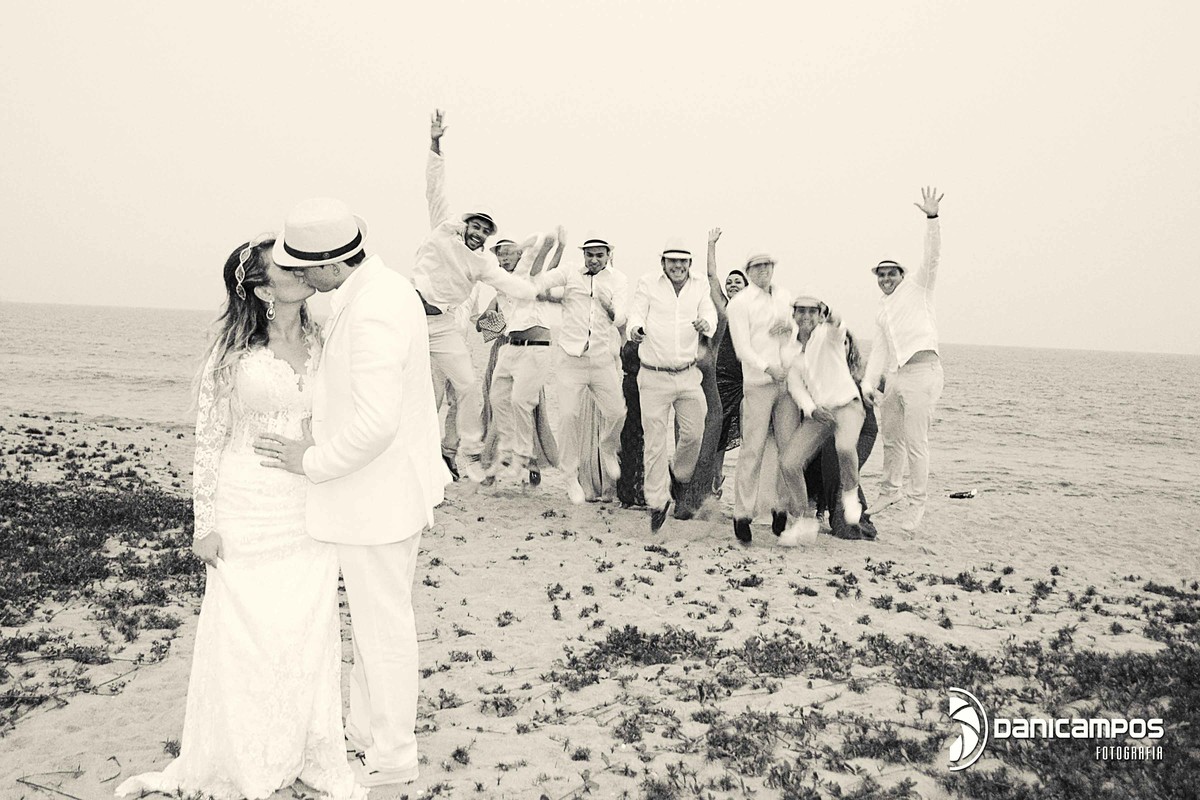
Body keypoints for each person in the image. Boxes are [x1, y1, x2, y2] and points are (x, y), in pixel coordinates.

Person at [116, 235, 366, 800]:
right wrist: (203, 523)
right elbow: (209, 439)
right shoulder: (232, 354)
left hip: (306, 507)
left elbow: (344, 414)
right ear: (261, 289)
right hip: (245, 506)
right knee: (244, 636)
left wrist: (324, 455)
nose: (298, 270)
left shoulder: (326, 338)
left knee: (305, 631)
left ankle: (301, 749)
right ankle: (243, 754)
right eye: (284, 267)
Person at [253, 198, 448, 789]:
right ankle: (367, 740)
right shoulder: (375, 290)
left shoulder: (375, 310)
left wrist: (311, 460)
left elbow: (376, 424)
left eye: (302, 268)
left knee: (382, 632)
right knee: (372, 629)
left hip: (378, 503)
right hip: (382, 497)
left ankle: (393, 755)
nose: (299, 278)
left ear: (329, 266)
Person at [414, 110, 546, 482]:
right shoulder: (443, 228)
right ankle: (421, 457)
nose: (479, 234)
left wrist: (536, 295)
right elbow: (434, 187)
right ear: (467, 224)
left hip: (454, 335)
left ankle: (455, 455)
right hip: (416, 320)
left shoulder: (485, 268)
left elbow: (490, 313)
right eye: (475, 226)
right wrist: (435, 142)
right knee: (425, 397)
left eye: (485, 232)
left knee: (466, 392)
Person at [861, 186, 945, 533]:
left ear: (901, 274)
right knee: (891, 438)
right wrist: (868, 384)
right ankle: (890, 491)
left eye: (891, 273)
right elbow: (880, 350)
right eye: (881, 275)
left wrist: (932, 218)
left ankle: (917, 503)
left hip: (923, 373)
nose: (885, 279)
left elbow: (933, 257)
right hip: (896, 377)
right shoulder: (882, 310)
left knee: (916, 442)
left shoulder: (919, 287)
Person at [627, 239, 718, 531]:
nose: (677, 266)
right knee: (655, 441)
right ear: (663, 263)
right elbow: (636, 312)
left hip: (688, 375)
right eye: (672, 261)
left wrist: (706, 324)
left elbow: (710, 313)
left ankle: (678, 477)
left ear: (689, 264)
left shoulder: (699, 285)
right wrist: (635, 329)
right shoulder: (648, 283)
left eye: (683, 261)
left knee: (693, 433)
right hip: (653, 375)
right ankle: (657, 502)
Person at [535, 234, 629, 504]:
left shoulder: (618, 279)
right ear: (583, 255)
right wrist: (551, 249)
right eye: (590, 255)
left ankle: (608, 447)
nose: (594, 260)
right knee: (567, 416)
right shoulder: (570, 273)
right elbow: (539, 281)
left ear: (608, 255)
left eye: (599, 255)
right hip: (570, 358)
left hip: (601, 359)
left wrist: (609, 308)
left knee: (617, 412)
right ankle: (570, 475)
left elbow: (621, 316)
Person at [778, 292, 867, 545]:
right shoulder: (789, 350)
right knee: (789, 463)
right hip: (820, 413)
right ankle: (804, 519)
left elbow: (838, 325)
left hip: (847, 405)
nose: (806, 316)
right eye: (801, 311)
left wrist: (832, 317)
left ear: (820, 315)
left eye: (812, 311)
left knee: (844, 447)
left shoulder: (828, 335)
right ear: (794, 315)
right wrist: (811, 409)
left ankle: (850, 495)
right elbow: (796, 386)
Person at [725, 251, 798, 544]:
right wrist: (769, 368)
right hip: (758, 383)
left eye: (767, 265)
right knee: (752, 450)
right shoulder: (740, 303)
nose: (763, 270)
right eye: (757, 267)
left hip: (787, 383)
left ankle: (781, 509)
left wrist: (791, 331)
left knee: (787, 449)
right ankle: (742, 513)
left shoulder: (784, 296)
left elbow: (793, 333)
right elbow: (742, 348)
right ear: (748, 271)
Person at [484, 232, 563, 483]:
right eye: (500, 254)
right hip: (506, 349)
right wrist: (493, 322)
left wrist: (556, 247)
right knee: (498, 403)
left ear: (519, 255)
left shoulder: (530, 277)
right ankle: (502, 458)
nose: (504, 258)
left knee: (527, 407)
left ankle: (529, 462)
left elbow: (547, 266)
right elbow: (483, 328)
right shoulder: (499, 288)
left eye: (509, 253)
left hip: (532, 350)